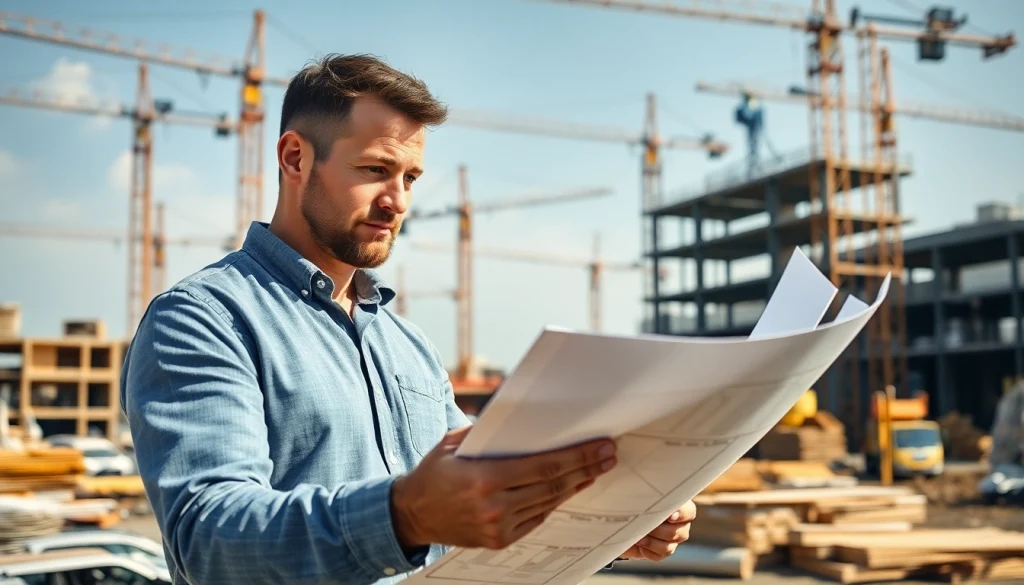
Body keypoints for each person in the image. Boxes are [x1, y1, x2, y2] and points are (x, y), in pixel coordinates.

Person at [120, 53, 696, 585]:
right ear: (295, 157)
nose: (398, 201)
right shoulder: (202, 321)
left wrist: (612, 523)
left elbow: (473, 511)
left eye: (411, 179)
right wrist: (405, 515)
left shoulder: (407, 343)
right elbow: (210, 542)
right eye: (375, 169)